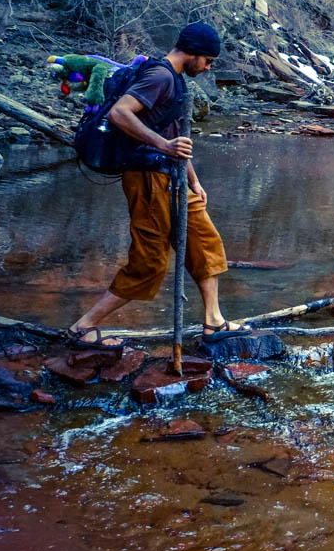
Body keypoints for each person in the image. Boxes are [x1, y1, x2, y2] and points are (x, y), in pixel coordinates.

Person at [68, 22, 247, 349]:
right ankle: (84, 326)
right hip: (148, 178)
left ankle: (213, 320)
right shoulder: (160, 76)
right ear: (193, 53)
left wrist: (194, 180)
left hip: (173, 178)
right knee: (149, 262)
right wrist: (163, 146)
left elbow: (176, 136)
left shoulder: (175, 79)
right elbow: (120, 114)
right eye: (208, 60)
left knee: (204, 242)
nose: (208, 67)